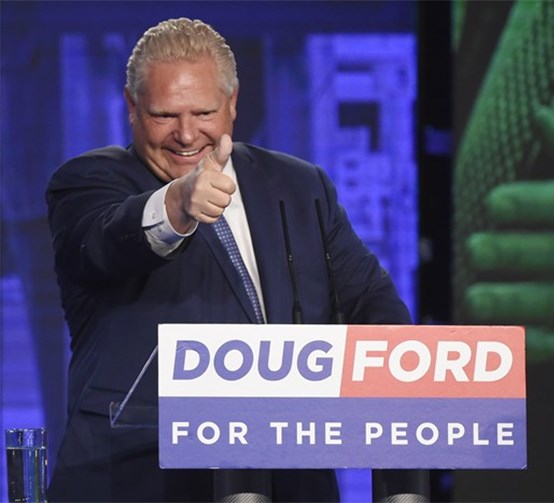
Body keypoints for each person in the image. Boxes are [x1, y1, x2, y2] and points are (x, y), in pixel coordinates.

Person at [46, 18, 427, 503]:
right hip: (140, 480)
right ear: (131, 107)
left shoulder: (300, 185)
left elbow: (370, 300)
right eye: (165, 115)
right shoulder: (87, 182)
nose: (186, 135)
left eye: (203, 112)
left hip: (288, 481)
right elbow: (102, 242)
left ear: (233, 103)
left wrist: (407, 370)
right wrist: (177, 205)